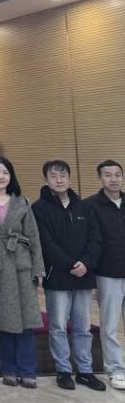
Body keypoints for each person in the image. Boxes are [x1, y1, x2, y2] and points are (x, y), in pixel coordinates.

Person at [31, 159, 105, 392]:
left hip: (83, 276)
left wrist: (86, 263)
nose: (59, 180)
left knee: (83, 327)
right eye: (54, 176)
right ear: (46, 180)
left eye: (63, 175)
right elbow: (45, 243)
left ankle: (85, 371)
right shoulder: (39, 208)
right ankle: (63, 370)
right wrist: (70, 263)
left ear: (70, 178)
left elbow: (95, 239)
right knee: (58, 326)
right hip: (58, 276)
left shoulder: (84, 207)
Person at [0, 156, 43, 390]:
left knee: (26, 319)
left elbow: (33, 236)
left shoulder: (21, 200)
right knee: (4, 319)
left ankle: (28, 370)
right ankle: (9, 369)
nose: (1, 176)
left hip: (21, 264)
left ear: (11, 176)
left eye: (5, 172)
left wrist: (38, 267)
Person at [86, 160, 125, 391]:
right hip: (108, 273)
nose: (113, 179)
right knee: (109, 326)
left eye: (117, 174)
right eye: (108, 175)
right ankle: (115, 369)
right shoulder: (91, 205)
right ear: (100, 178)